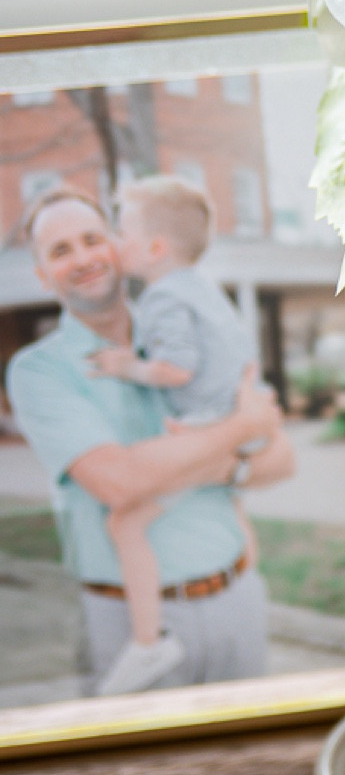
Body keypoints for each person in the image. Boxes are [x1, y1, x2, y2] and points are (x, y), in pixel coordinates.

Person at [4, 189, 294, 697]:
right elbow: (119, 484)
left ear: (120, 246)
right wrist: (235, 433)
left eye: (93, 239)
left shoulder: (185, 324)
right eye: (61, 250)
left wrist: (223, 460)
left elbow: (282, 457)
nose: (83, 258)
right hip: (125, 620)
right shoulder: (37, 371)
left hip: (238, 602)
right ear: (43, 275)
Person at [83, 175, 258, 694]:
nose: (115, 241)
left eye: (123, 231)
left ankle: (147, 642)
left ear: (156, 248)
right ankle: (249, 586)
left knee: (125, 521)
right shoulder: (203, 289)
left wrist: (125, 366)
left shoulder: (162, 297)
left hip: (204, 427)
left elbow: (177, 368)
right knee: (227, 500)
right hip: (230, 419)